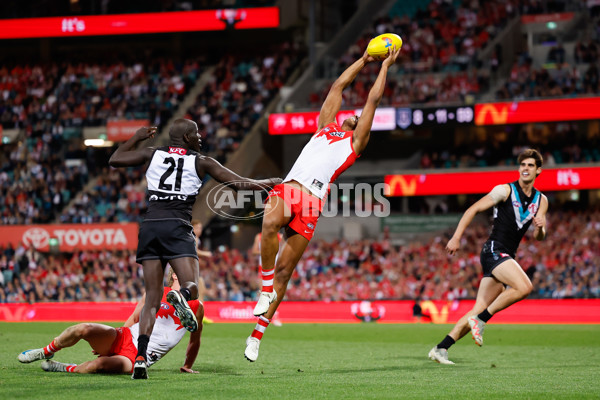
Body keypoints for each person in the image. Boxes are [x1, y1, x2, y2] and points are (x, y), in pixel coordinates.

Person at [244, 45, 401, 362]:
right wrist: (364, 60)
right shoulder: (324, 126)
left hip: (313, 202)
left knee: (285, 274)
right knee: (269, 222)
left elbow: (373, 100)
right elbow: (338, 87)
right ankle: (263, 290)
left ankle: (256, 336)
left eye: (359, 118)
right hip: (291, 188)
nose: (355, 114)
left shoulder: (355, 144)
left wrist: (385, 66)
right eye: (352, 114)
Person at [108, 118, 281, 377]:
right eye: (197, 134)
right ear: (187, 137)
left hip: (151, 226)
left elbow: (116, 159)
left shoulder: (153, 153)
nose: (200, 138)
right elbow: (239, 184)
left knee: (151, 300)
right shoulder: (202, 161)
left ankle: (141, 359)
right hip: (177, 226)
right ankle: (182, 298)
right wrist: (273, 181)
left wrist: (136, 137)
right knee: (191, 285)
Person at [428, 149, 548, 365]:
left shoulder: (542, 200)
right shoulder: (505, 190)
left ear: (538, 170)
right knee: (525, 287)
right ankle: (481, 321)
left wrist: (541, 228)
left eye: (530, 165)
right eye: (522, 165)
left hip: (506, 255)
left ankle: (441, 347)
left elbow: (540, 236)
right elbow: (473, 209)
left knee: (477, 308)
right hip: (493, 250)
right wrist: (456, 237)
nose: (525, 168)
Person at [17, 270, 203, 375]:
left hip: (138, 357)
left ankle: (64, 367)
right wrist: (112, 340)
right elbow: (134, 317)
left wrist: (187, 365)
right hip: (126, 337)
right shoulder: (156, 291)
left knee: (96, 366)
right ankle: (44, 352)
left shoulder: (197, 306)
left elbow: (195, 339)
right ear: (175, 275)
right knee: (84, 328)